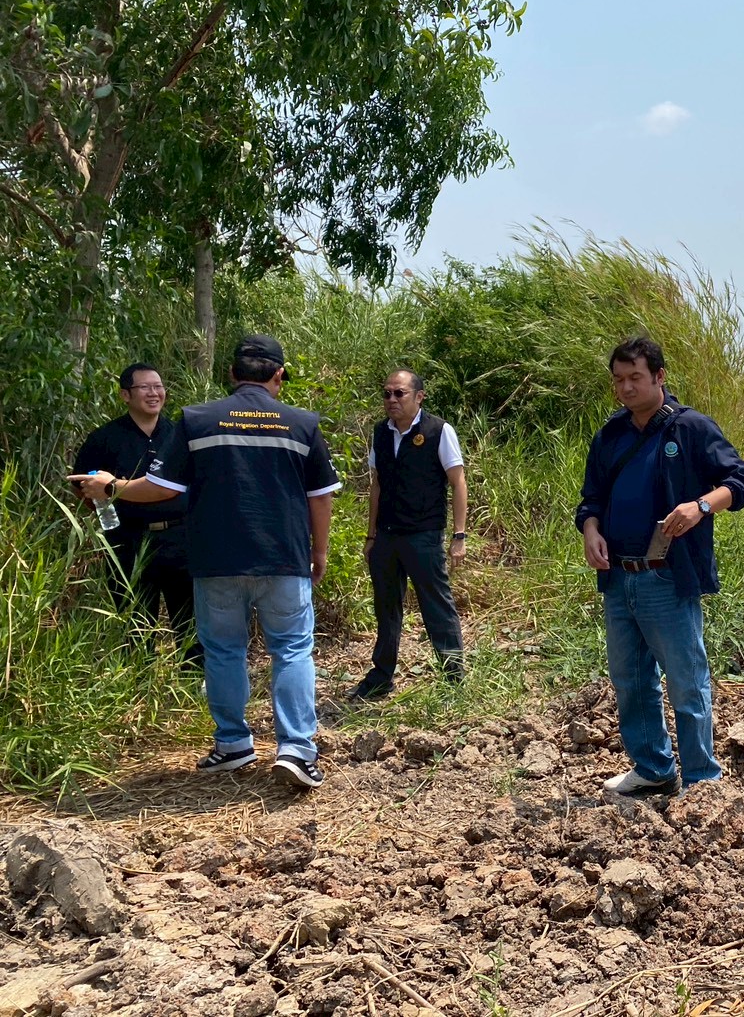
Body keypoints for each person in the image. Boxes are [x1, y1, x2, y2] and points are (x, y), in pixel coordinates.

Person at [72, 335, 341, 789]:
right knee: (291, 650)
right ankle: (297, 749)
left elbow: (163, 489)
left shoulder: (197, 421)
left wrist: (113, 486)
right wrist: (319, 553)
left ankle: (233, 743)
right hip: (282, 559)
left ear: (232, 375)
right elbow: (320, 498)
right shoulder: (302, 423)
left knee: (223, 651)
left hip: (215, 560)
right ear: (278, 376)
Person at [576, 337, 744, 798]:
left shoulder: (690, 428)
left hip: (667, 576)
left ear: (659, 376)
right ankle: (653, 767)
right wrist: (591, 530)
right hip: (619, 577)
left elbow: (741, 482)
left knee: (685, 680)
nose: (626, 388)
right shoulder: (611, 434)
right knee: (631, 680)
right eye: (618, 379)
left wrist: (700, 506)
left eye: (635, 377)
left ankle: (701, 782)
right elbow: (591, 498)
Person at [350, 369, 468, 700]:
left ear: (419, 397)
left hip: (424, 535)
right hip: (386, 536)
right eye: (386, 393)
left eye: (399, 393)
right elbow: (376, 485)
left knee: (436, 605)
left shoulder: (438, 431)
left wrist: (460, 535)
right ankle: (381, 676)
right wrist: (370, 536)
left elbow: (458, 482)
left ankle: (453, 678)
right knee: (386, 606)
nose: (391, 400)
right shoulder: (380, 433)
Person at [72, 363, 197, 666]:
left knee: (191, 624)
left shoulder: (179, 435)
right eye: (145, 387)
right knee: (135, 624)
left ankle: (194, 689)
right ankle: (138, 690)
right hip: (128, 540)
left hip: (181, 539)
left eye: (159, 386)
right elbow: (82, 487)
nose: (155, 393)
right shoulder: (104, 438)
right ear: (125, 395)